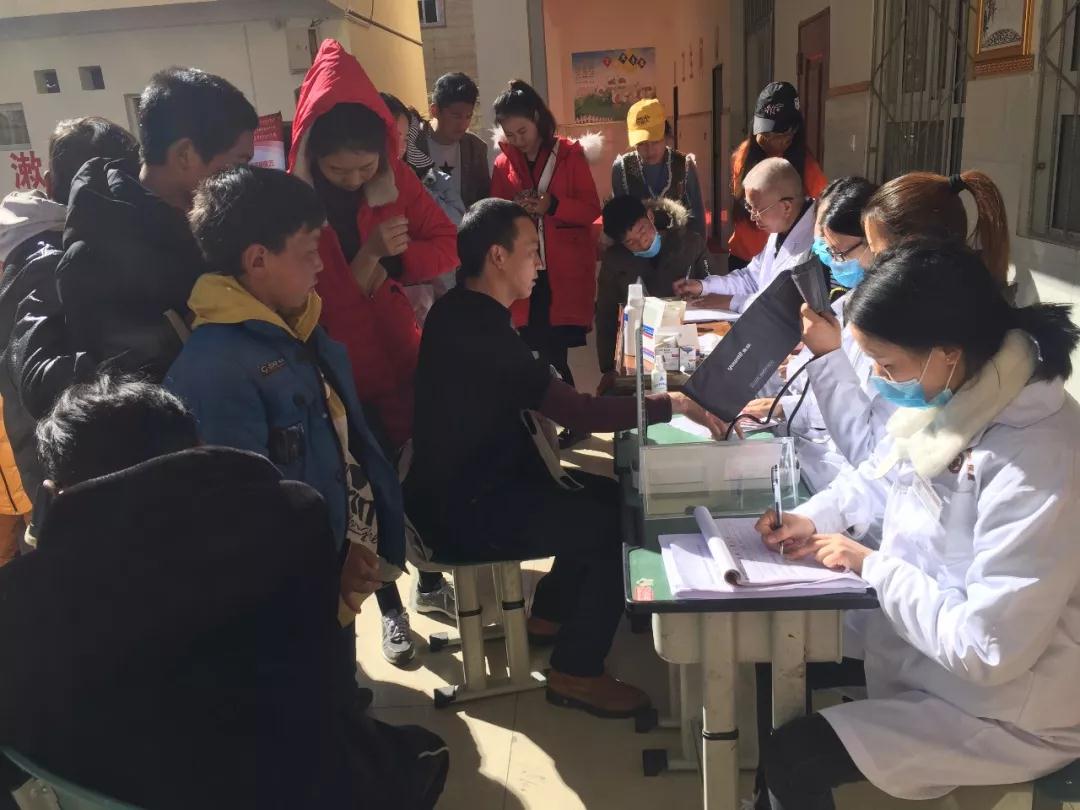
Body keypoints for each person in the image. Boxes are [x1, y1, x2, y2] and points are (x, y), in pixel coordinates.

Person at [0, 376, 447, 810]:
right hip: (294, 787)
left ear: (54, 492)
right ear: (196, 449)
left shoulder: (19, 602)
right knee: (419, 753)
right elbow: (319, 686)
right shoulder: (290, 516)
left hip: (124, 791)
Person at [753, 239, 1080, 809]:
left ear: (946, 352)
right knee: (771, 653)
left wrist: (873, 566)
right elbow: (884, 476)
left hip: (1010, 708)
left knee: (795, 757)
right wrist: (812, 517)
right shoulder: (964, 394)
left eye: (888, 366)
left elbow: (989, 648)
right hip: (928, 653)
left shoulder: (1036, 459)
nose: (881, 380)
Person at [405, 198, 722, 719]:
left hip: (479, 483)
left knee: (610, 494)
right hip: (463, 510)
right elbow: (578, 413)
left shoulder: (464, 310)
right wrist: (676, 403)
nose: (540, 263)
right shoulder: (479, 331)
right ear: (498, 256)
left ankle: (549, 615)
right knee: (610, 525)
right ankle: (576, 671)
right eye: (531, 251)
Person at [164, 165, 413, 657]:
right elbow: (243, 516)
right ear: (258, 259)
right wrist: (327, 566)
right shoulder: (216, 371)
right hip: (288, 595)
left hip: (327, 572)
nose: (321, 265)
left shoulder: (297, 328)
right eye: (309, 251)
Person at [1, 72, 255, 511]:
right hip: (157, 486)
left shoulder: (208, 226)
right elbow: (55, 391)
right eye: (236, 163)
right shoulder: (101, 241)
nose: (242, 178)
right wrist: (168, 344)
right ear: (185, 154)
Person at [289, 41, 458, 663]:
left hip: (398, 353)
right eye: (340, 171)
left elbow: (447, 243)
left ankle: (431, 581)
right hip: (336, 368)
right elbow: (304, 295)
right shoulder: (289, 205)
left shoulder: (397, 180)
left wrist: (400, 259)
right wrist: (367, 257)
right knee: (367, 491)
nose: (356, 180)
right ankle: (390, 612)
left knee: (416, 470)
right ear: (313, 155)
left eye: (365, 168)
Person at [0, 117, 141, 523]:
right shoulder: (52, 260)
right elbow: (45, 388)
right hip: (65, 484)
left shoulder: (30, 247)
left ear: (48, 181)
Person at [490, 79, 602, 417]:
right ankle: (558, 419)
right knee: (532, 350)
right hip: (524, 274)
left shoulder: (569, 155)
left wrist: (552, 205)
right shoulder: (503, 163)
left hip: (561, 273)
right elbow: (494, 211)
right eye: (510, 134)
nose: (517, 139)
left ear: (537, 118)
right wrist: (515, 208)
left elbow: (590, 209)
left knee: (554, 352)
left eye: (522, 131)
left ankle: (572, 417)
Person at [858, 169, 1037, 306]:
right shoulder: (967, 303)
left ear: (919, 248)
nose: (873, 266)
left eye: (880, 255)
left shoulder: (950, 325)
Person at [595, 195, 712, 392]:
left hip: (688, 343)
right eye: (630, 242)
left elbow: (711, 287)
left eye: (642, 231)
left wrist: (697, 290)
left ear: (650, 216)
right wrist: (608, 367)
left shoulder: (689, 244)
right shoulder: (615, 261)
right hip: (641, 349)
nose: (642, 242)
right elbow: (606, 314)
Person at [674, 157, 816, 313]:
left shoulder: (818, 240)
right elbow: (752, 279)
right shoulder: (782, 225)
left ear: (786, 207)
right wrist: (704, 286)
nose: (753, 217)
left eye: (758, 209)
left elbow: (789, 304)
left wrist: (732, 302)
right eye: (749, 208)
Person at [381, 91, 464, 324]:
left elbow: (449, 242)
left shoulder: (404, 178)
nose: (400, 147)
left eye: (404, 138)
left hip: (405, 307)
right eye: (393, 136)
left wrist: (397, 258)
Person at [729, 81, 827, 271]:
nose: (769, 140)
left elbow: (823, 210)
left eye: (777, 135)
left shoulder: (806, 167)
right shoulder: (742, 156)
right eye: (764, 134)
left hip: (781, 261)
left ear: (792, 134)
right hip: (742, 256)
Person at [611, 98, 707, 238]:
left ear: (666, 136)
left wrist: (697, 249)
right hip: (638, 247)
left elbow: (698, 221)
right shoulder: (622, 169)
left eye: (655, 141)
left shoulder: (684, 166)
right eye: (641, 143)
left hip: (680, 246)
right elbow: (617, 222)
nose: (649, 150)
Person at [415, 71, 490, 208]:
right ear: (434, 111)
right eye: (456, 116)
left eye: (468, 116)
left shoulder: (475, 149)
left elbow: (483, 201)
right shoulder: (412, 144)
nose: (463, 124)